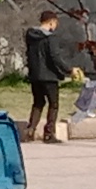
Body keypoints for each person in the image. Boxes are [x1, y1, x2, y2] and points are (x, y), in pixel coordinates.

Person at [21, 8, 74, 143]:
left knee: (38, 103)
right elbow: (55, 57)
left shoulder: (31, 36)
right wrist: (69, 70)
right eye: (55, 23)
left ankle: (30, 130)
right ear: (51, 22)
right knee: (53, 104)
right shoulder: (50, 38)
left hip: (35, 75)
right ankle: (49, 133)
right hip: (49, 76)